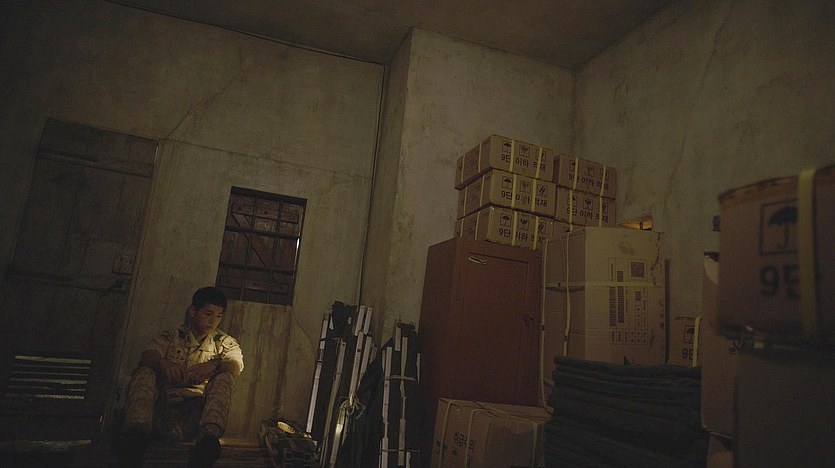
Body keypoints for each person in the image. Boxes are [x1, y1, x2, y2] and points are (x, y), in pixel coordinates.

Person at [117, 287, 244, 467]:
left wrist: (213, 365)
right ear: (193, 311)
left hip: (196, 415)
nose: (213, 321)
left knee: (225, 377)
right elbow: (148, 356)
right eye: (208, 314)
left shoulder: (224, 342)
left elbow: (235, 365)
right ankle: (135, 435)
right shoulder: (171, 337)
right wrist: (164, 363)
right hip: (163, 410)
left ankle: (208, 440)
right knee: (145, 371)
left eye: (218, 316)